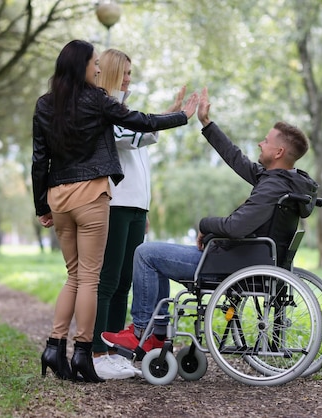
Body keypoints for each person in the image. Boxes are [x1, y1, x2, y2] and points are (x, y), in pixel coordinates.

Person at [101, 87, 319, 354]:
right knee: (153, 255)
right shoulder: (286, 182)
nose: (261, 143)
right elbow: (237, 159)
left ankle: (142, 332)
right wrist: (206, 123)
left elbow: (236, 226)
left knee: (146, 253)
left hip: (232, 263)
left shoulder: (273, 186)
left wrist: (205, 225)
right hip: (248, 259)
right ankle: (155, 334)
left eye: (266, 140)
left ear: (278, 151)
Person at [32, 40, 198, 383]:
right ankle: (85, 352)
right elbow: (138, 122)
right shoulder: (96, 100)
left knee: (74, 276)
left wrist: (41, 205)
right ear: (83, 66)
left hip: (58, 196)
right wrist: (181, 116)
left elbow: (39, 159)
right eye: (94, 63)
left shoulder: (46, 104)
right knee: (93, 279)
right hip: (91, 194)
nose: (97, 68)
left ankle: (53, 345)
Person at [89, 49, 188, 379]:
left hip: (133, 206)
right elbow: (133, 139)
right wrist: (172, 117)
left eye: (132, 72)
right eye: (126, 72)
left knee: (126, 282)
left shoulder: (123, 110)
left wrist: (167, 114)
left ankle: (114, 349)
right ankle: (95, 351)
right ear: (113, 72)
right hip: (115, 204)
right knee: (109, 279)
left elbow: (140, 137)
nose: (130, 77)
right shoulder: (104, 110)